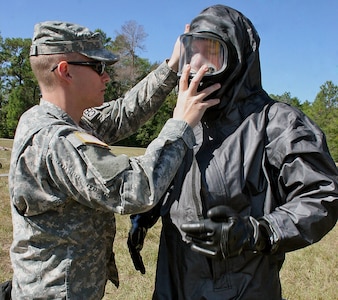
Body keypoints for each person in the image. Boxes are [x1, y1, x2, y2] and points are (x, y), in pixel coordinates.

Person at [127, 5, 338, 299]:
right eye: (191, 54)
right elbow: (174, 182)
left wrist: (259, 232)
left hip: (243, 288)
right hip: (172, 282)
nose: (198, 68)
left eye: (211, 54)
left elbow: (322, 195)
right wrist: (146, 215)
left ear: (238, 60)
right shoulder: (187, 121)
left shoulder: (275, 122)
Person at [8, 20, 220, 299]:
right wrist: (180, 124)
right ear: (65, 71)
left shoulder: (62, 119)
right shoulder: (54, 140)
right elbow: (135, 189)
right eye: (98, 68)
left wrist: (172, 66)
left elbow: (124, 112)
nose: (106, 77)